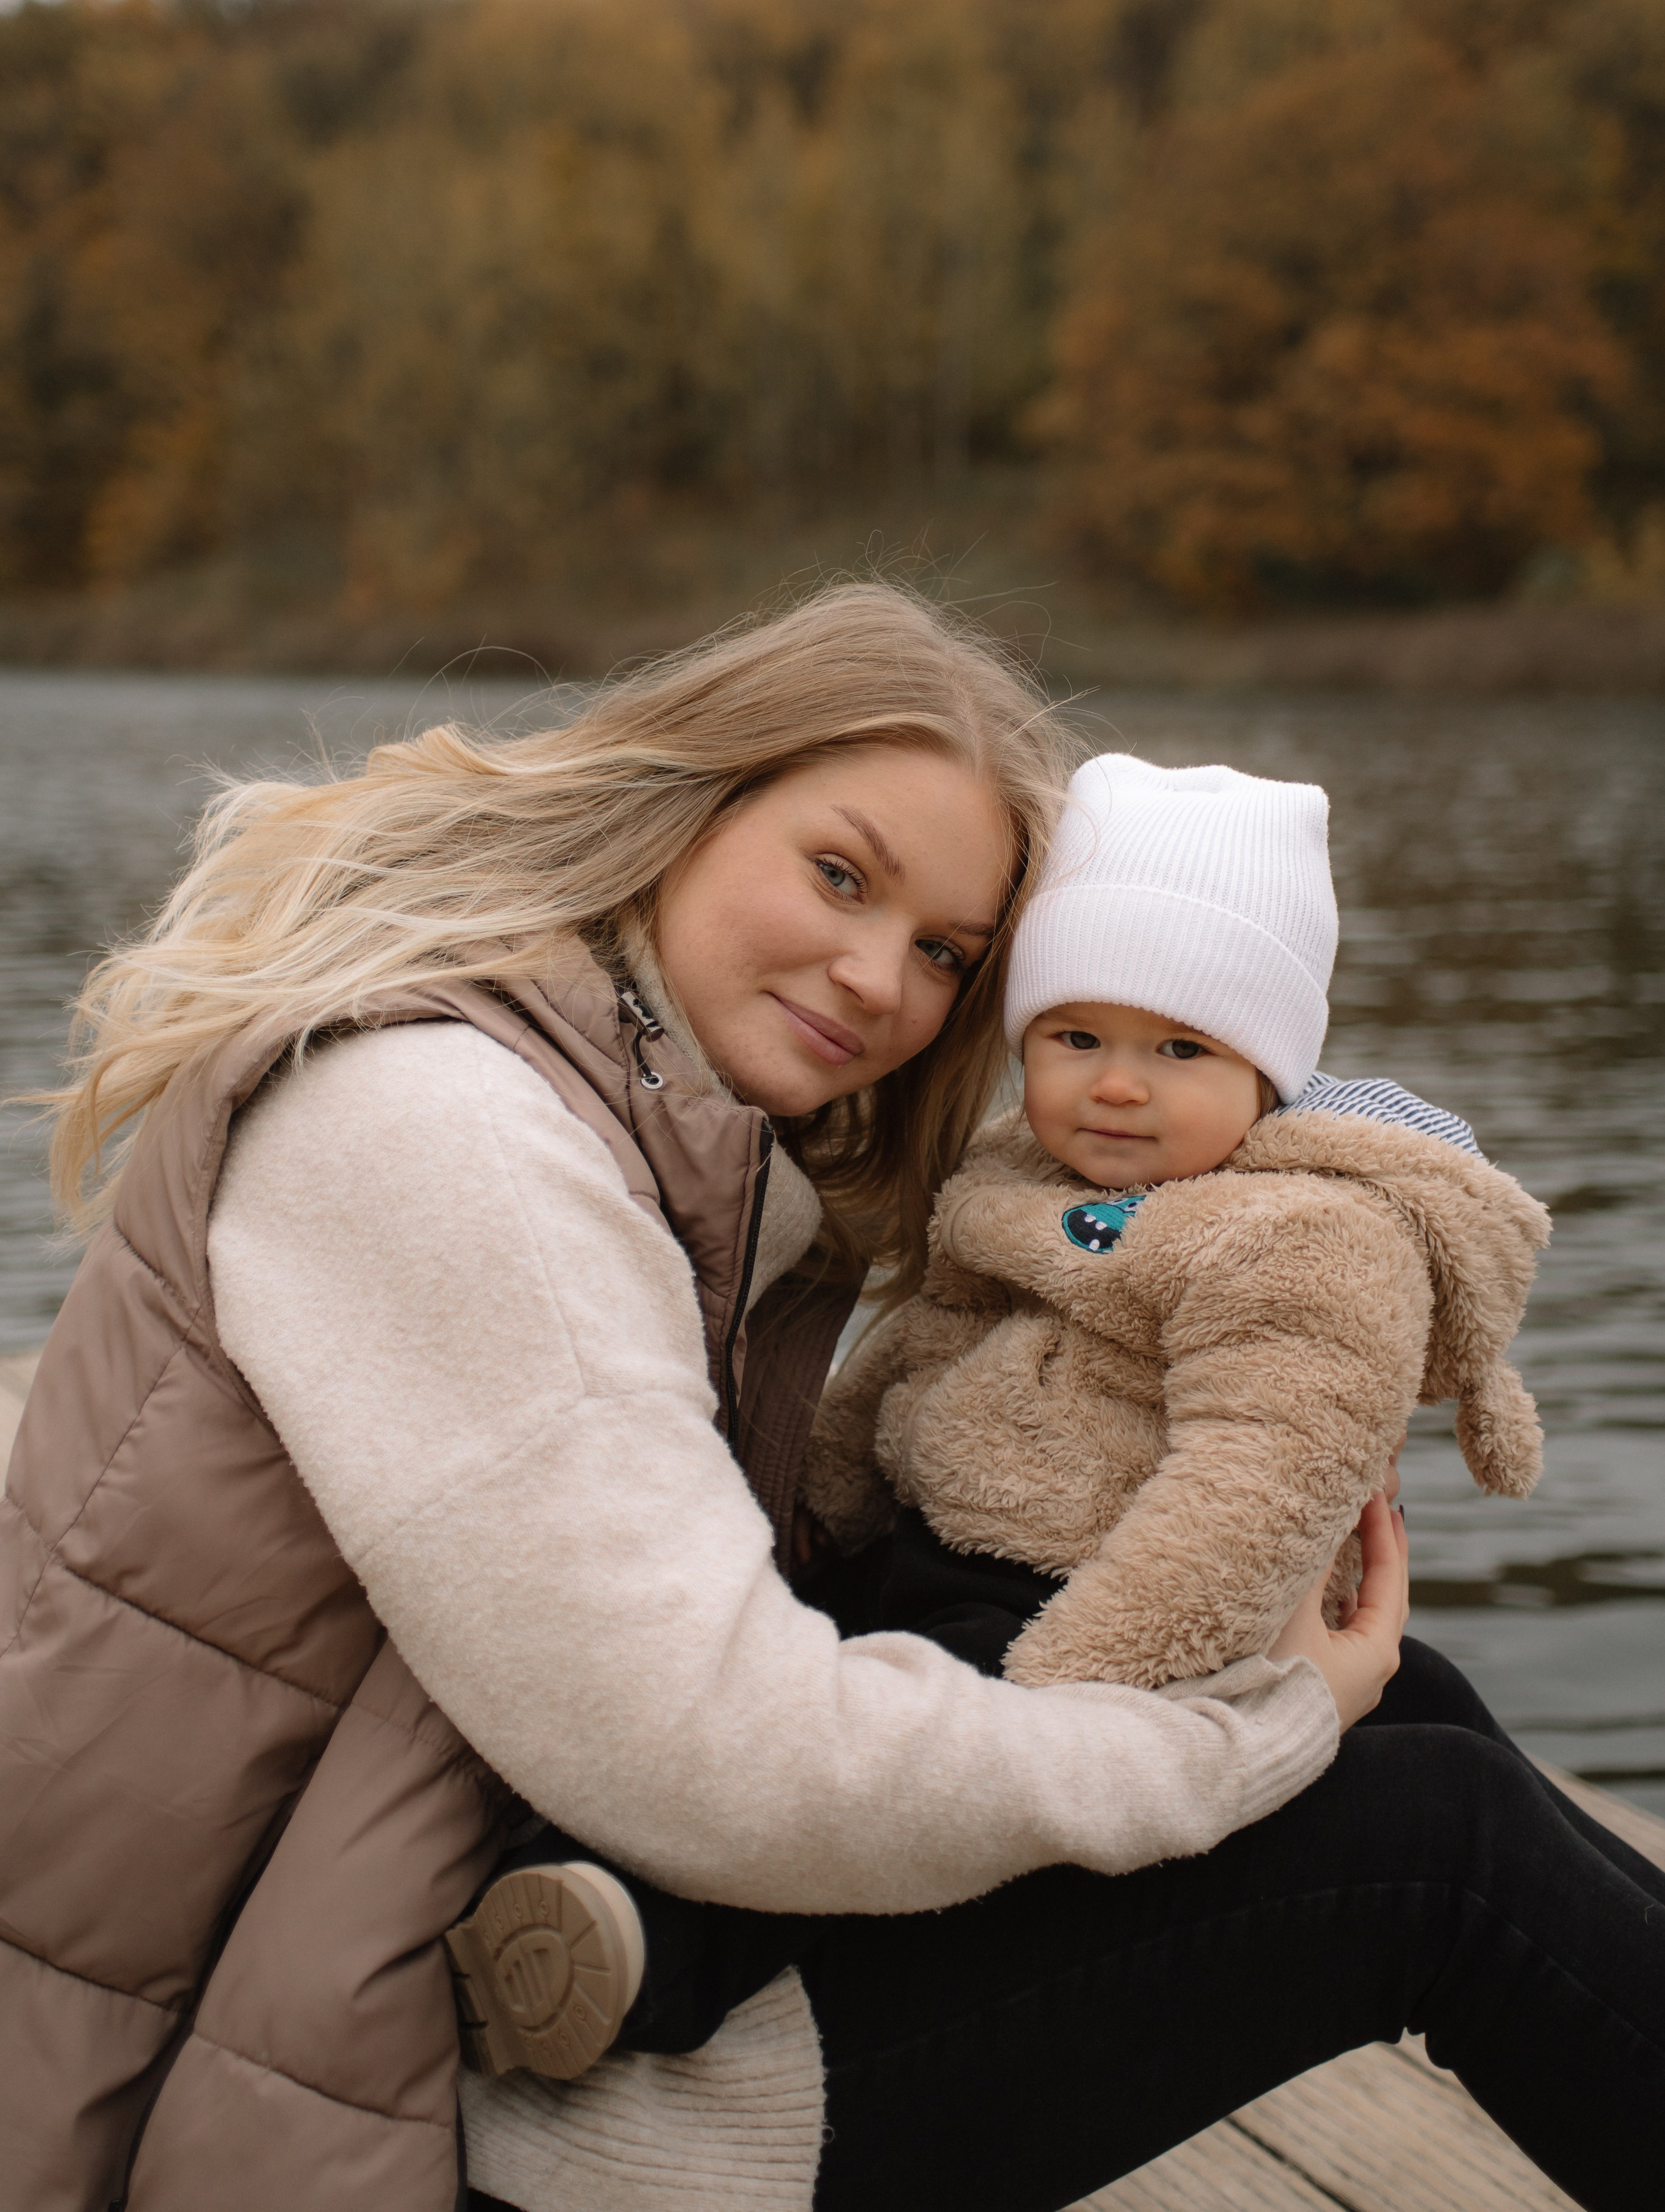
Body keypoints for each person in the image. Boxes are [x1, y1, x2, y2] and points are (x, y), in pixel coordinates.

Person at [0, 587, 1656, 2212]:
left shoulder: (635, 1111)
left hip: (433, 1914)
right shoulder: (450, 1136)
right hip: (390, 2084)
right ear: (688, 803)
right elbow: (719, 1756)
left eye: (942, 951)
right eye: (839, 873)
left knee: (1415, 1699)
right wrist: (1247, 1733)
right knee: (1442, 1851)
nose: (880, 982)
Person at [803, 752, 1551, 1688]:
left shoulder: (1303, 1236)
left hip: (1132, 1625)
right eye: (1075, 1038)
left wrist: (1073, 1690)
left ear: (1264, 1073)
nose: (1116, 1083)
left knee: (1454, 1750)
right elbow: (923, 1338)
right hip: (943, 1551)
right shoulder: (1015, 1168)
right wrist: (811, 1519)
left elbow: (1264, 1481)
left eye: (1181, 1047)